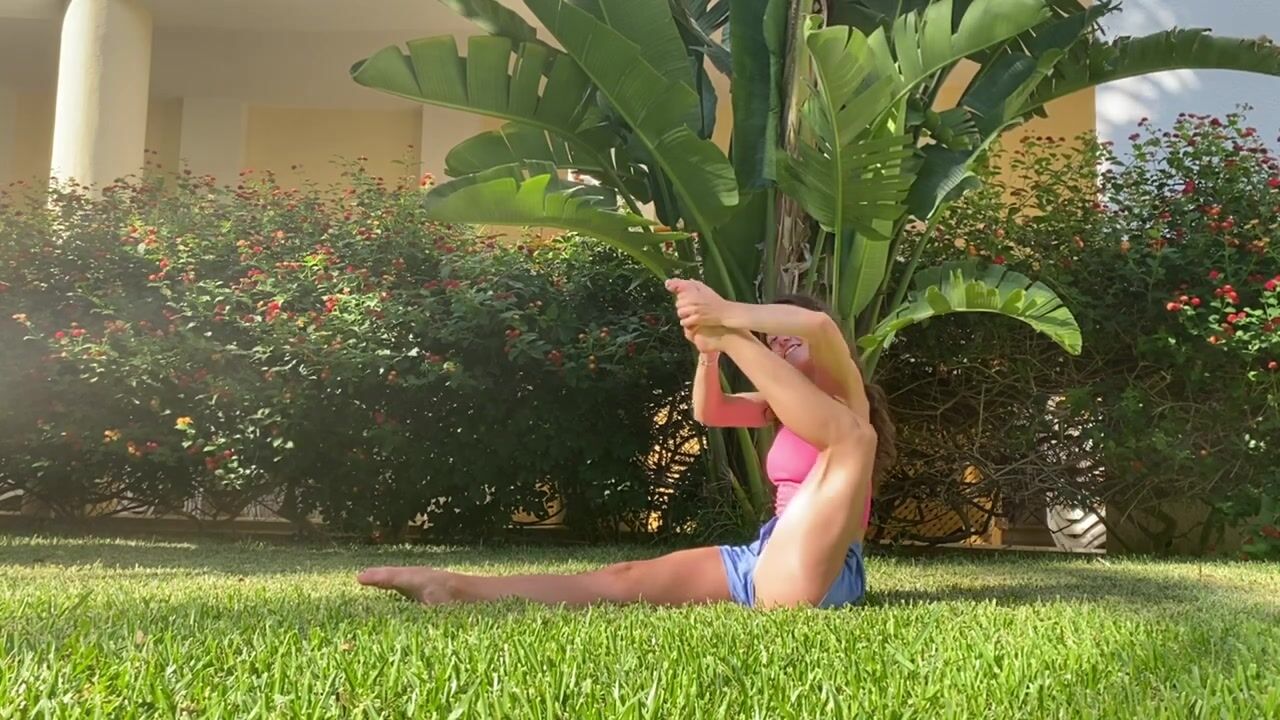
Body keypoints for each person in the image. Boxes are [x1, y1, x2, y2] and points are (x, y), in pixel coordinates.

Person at [356, 279, 897, 609]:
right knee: (623, 579)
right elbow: (710, 411)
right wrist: (709, 354)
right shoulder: (775, 404)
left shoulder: (849, 397)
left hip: (825, 568)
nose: (780, 342)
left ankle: (729, 333)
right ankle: (454, 588)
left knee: (852, 439)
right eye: (773, 342)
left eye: (787, 336)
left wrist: (728, 319)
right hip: (766, 554)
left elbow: (819, 324)